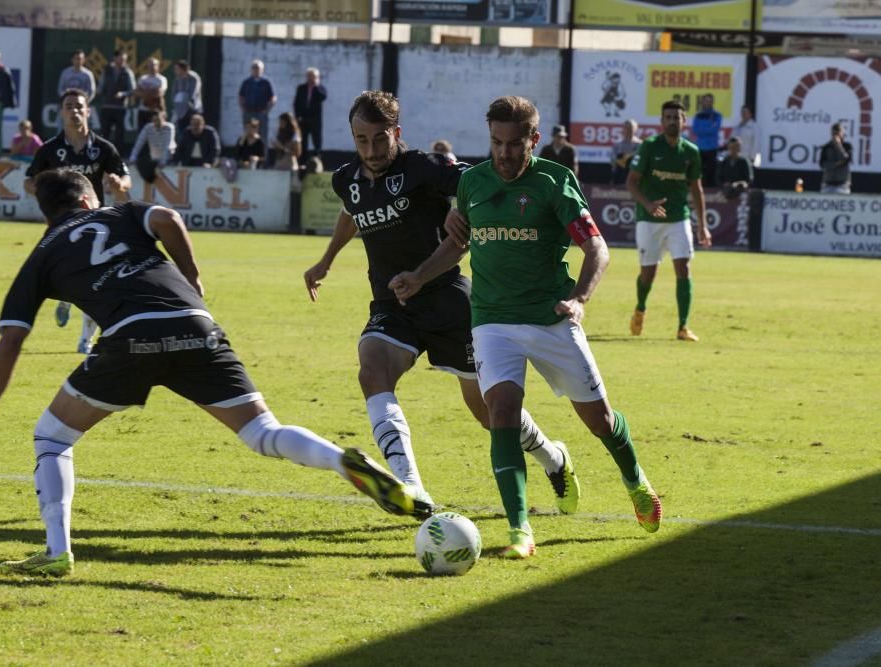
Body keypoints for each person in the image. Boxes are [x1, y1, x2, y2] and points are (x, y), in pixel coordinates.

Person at [0, 168, 416, 577]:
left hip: (129, 338)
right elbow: (167, 217)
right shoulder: (119, 212)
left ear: (48, 212)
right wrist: (193, 276)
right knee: (262, 431)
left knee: (52, 438)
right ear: (87, 198)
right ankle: (341, 462)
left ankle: (57, 553)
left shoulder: (42, 252)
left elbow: (11, 338)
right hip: (195, 325)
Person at [389, 95, 662, 559]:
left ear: (534, 140)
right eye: (496, 142)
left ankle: (636, 482)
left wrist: (579, 299)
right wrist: (418, 276)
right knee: (503, 415)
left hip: (551, 317)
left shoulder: (556, 182)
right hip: (492, 320)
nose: (504, 153)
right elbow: (458, 247)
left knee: (599, 420)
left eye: (515, 144)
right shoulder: (472, 184)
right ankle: (520, 530)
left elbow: (597, 249)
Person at [303, 90, 578, 522]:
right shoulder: (347, 178)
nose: (371, 150)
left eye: (379, 139)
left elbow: (483, 183)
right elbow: (351, 211)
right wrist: (325, 260)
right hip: (392, 303)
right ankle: (411, 486)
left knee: (489, 414)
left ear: (397, 133)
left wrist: (457, 206)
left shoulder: (424, 167)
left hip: (450, 301)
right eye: (361, 140)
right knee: (372, 369)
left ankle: (553, 458)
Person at [24, 89, 132, 354]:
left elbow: (124, 178)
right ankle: (66, 300)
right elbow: (28, 180)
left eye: (78, 106)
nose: (74, 111)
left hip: (95, 224)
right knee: (68, 278)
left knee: (97, 282)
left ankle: (86, 340)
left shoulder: (103, 148)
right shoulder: (50, 149)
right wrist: (41, 189)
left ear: (88, 111)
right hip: (61, 225)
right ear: (62, 112)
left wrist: (119, 185)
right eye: (68, 106)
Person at [627, 100, 712, 342]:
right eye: (669, 117)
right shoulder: (649, 147)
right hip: (648, 219)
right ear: (662, 121)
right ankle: (640, 307)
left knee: (683, 269)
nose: (673, 121)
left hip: (679, 219)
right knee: (648, 274)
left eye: (678, 117)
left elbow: (697, 189)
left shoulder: (691, 152)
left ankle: (683, 327)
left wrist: (702, 225)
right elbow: (631, 182)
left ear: (684, 122)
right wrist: (648, 204)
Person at [98, 50, 136, 150]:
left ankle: (117, 154)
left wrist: (123, 94)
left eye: (124, 59)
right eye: (121, 59)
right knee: (104, 132)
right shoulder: (107, 70)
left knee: (120, 133)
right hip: (107, 106)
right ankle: (103, 153)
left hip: (120, 107)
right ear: (115, 58)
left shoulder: (128, 72)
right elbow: (101, 87)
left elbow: (132, 90)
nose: (122, 61)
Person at [129, 110, 176, 184]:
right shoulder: (148, 127)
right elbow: (139, 143)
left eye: (158, 120)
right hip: (154, 154)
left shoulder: (169, 127)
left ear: (163, 119)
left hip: (169, 154)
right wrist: (133, 157)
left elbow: (167, 145)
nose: (156, 122)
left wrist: (163, 161)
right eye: (154, 120)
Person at [293, 67, 327, 162]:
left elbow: (323, 97)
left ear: (317, 77)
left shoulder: (320, 88)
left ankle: (317, 160)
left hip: (315, 119)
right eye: (309, 76)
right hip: (303, 119)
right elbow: (296, 103)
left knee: (316, 141)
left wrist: (316, 86)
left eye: (313, 76)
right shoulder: (301, 88)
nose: (311, 78)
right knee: (303, 141)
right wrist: (297, 116)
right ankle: (302, 161)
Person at [238, 59, 276, 137]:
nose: (256, 70)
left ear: (262, 70)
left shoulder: (266, 82)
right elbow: (241, 96)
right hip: (248, 112)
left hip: (261, 113)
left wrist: (266, 110)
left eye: (258, 68)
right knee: (248, 136)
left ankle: (262, 149)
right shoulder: (246, 82)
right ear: (251, 70)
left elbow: (273, 98)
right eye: (254, 68)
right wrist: (243, 109)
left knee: (262, 136)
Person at [691, 94, 722, 187]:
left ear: (712, 102)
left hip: (712, 147)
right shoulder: (698, 115)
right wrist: (708, 128)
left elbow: (715, 130)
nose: (707, 103)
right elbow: (695, 130)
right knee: (699, 172)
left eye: (710, 101)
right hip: (700, 147)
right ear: (702, 102)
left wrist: (703, 130)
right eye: (706, 100)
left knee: (711, 172)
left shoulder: (717, 115)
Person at [135, 58, 168, 132]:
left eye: (154, 65)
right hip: (143, 110)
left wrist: (145, 92)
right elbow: (137, 92)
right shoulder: (142, 78)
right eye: (150, 65)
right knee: (142, 133)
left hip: (156, 111)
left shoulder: (162, 79)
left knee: (156, 133)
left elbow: (159, 93)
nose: (152, 67)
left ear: (158, 66)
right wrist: (152, 92)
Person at [819, 122, 853, 194]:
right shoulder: (826, 147)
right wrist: (835, 164)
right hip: (828, 184)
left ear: (842, 134)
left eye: (837, 134)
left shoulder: (847, 146)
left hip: (842, 185)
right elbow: (822, 164)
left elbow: (846, 159)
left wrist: (838, 146)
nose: (835, 136)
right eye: (833, 134)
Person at [170, 60, 203, 133]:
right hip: (180, 111)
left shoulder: (194, 78)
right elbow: (174, 94)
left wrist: (186, 101)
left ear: (183, 69)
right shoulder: (177, 79)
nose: (175, 71)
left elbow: (193, 94)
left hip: (192, 110)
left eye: (177, 69)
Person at [610, 118, 642, 184]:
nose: (628, 130)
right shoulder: (617, 144)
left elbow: (641, 160)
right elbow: (613, 160)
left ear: (635, 129)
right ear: (623, 129)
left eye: (631, 127)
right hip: (620, 175)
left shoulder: (640, 144)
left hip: (635, 175)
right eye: (626, 127)